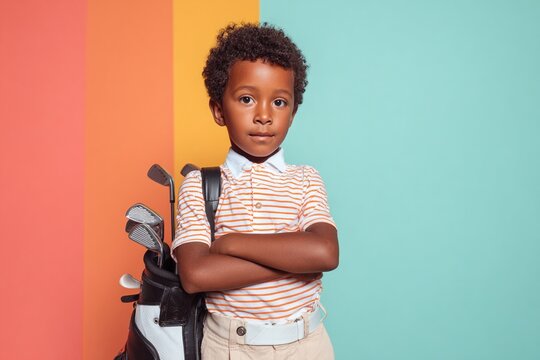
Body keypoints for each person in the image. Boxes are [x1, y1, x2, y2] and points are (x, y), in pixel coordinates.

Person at [172, 22, 339, 360]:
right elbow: (195, 275)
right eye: (247, 99)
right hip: (231, 347)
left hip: (307, 344)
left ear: (292, 114)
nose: (264, 115)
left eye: (279, 102)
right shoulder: (202, 186)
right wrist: (297, 261)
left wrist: (232, 244)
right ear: (219, 110)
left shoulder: (306, 179)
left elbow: (324, 253)